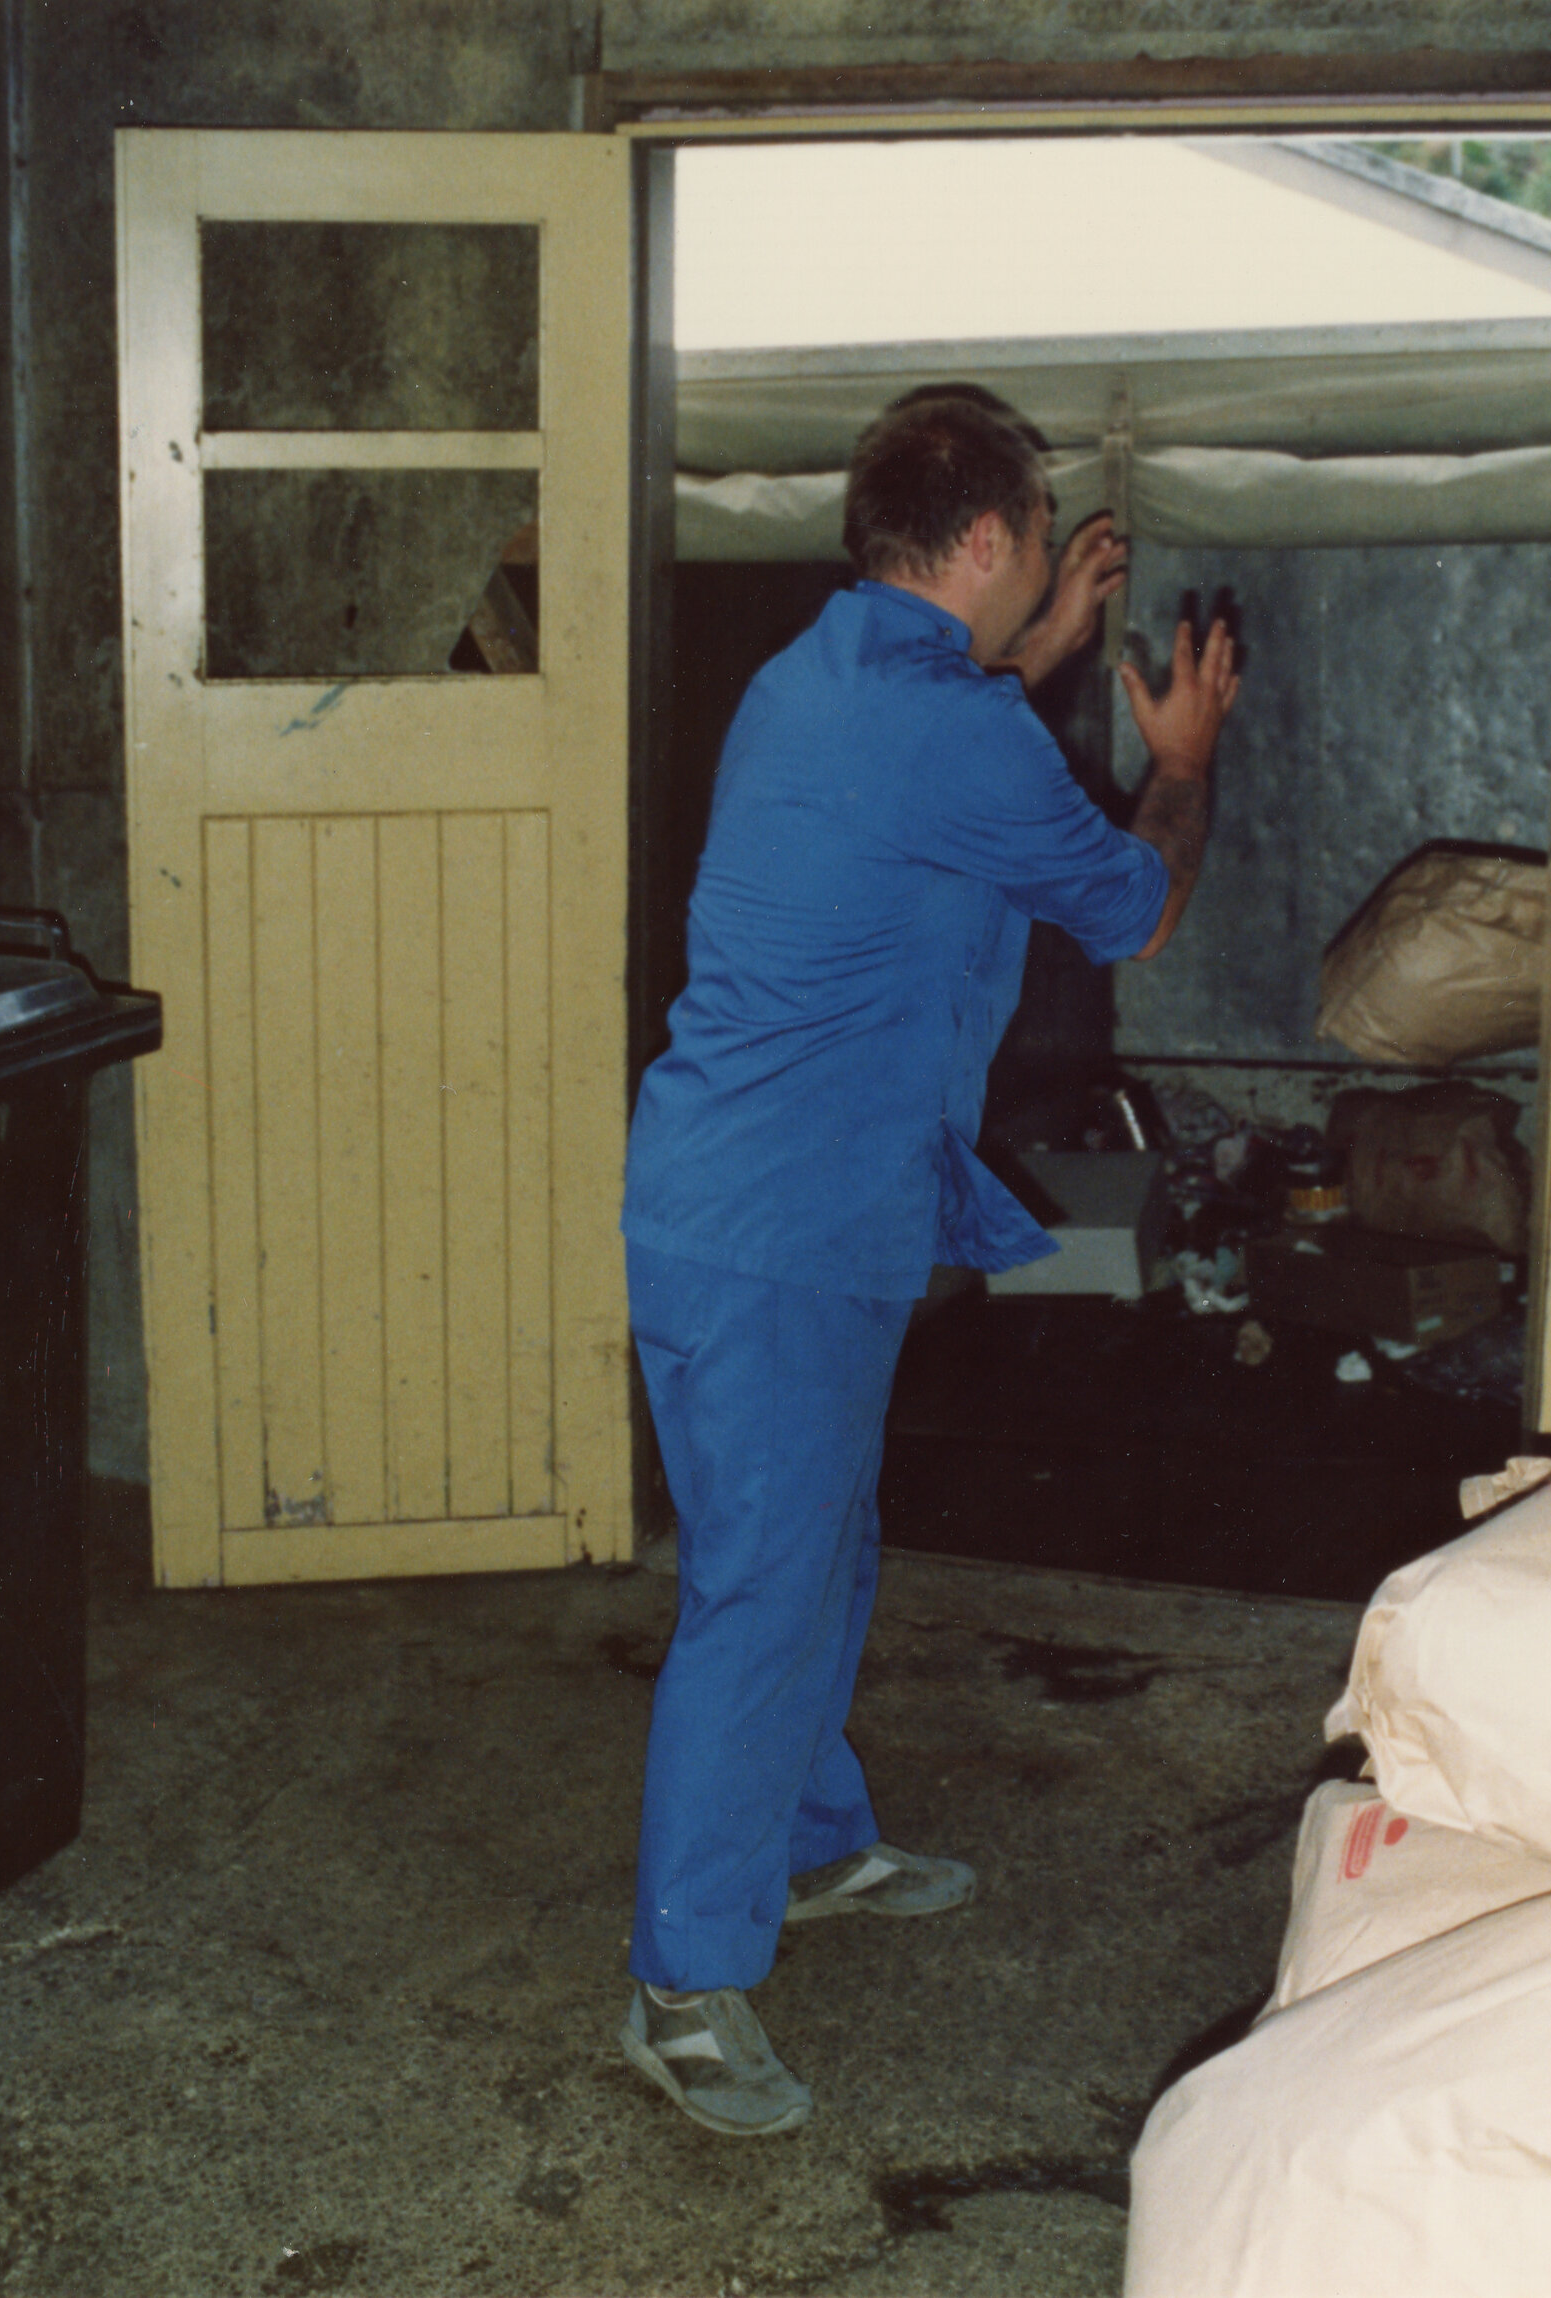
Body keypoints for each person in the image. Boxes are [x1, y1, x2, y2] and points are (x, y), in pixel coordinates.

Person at [617, 390, 1240, 2137]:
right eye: (1036, 532)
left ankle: (810, 1845)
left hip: (761, 1206)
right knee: (759, 1589)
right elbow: (1133, 903)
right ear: (980, 545)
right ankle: (682, 1984)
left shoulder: (816, 674)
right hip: (776, 1233)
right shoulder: (952, 737)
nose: (1049, 556)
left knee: (813, 1545)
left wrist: (1036, 648)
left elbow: (945, 744)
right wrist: (1182, 756)